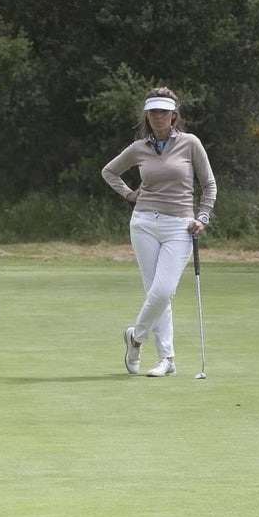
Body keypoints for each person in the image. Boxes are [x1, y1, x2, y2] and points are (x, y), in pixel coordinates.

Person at [101, 86, 217, 377]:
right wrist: (129, 195)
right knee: (155, 292)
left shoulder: (190, 143)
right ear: (147, 115)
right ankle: (167, 359)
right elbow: (109, 172)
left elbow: (209, 185)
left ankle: (135, 338)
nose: (158, 117)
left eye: (163, 112)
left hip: (180, 225)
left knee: (164, 290)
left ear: (174, 115)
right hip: (143, 224)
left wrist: (202, 216)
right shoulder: (139, 148)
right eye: (153, 112)